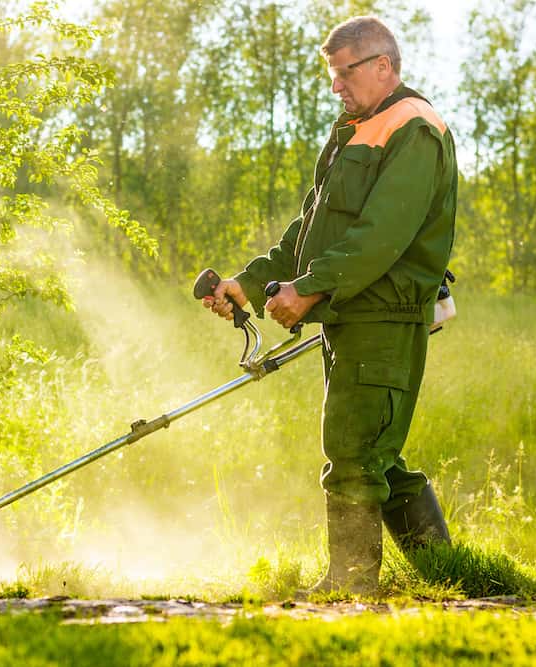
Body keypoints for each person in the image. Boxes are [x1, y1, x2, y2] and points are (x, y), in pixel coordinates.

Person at [203, 16, 456, 595]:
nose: (336, 87)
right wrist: (251, 280)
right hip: (350, 313)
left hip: (383, 316)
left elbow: (381, 234)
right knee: (375, 455)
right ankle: (450, 575)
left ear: (382, 66)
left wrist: (310, 289)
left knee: (353, 452)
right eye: (332, 76)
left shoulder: (413, 128)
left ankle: (350, 586)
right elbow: (310, 229)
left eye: (344, 74)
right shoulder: (355, 130)